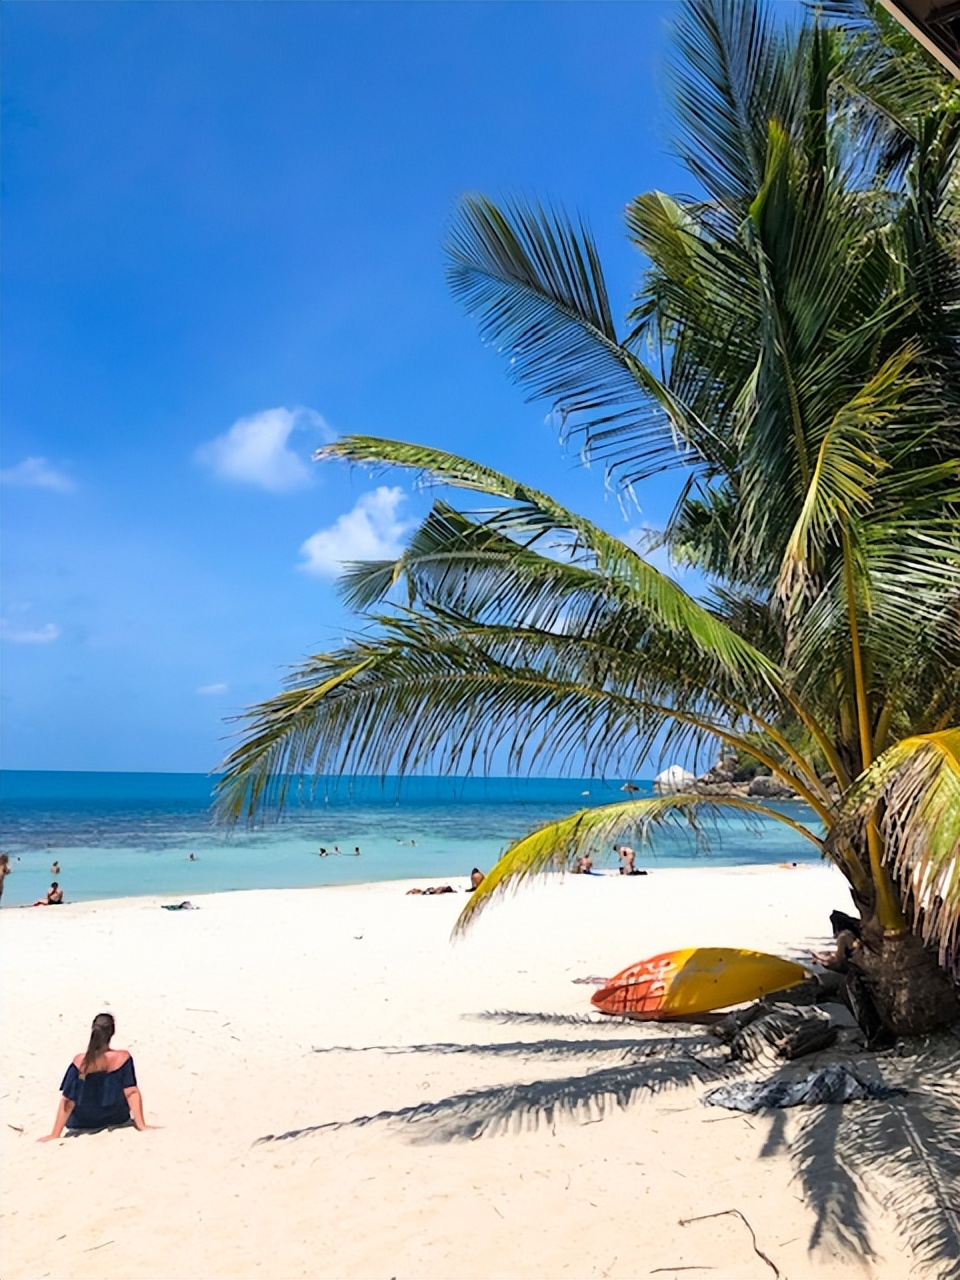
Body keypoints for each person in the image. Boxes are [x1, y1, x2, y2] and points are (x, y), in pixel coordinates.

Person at [39, 1013, 156, 1140]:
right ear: (112, 1032)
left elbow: (68, 1100)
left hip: (83, 1122)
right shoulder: (123, 1058)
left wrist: (55, 1134)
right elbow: (131, 1092)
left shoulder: (80, 1062)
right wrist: (141, 1125)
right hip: (117, 1118)